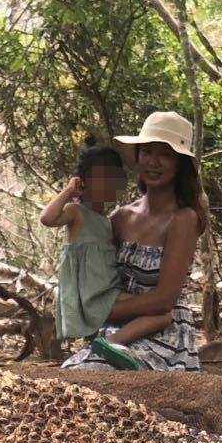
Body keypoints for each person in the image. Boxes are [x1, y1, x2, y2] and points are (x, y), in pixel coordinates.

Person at [60, 111, 206, 372]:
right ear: (138, 157)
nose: (154, 162)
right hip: (117, 327)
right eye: (147, 151)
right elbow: (101, 275)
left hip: (163, 332)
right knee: (68, 378)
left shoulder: (184, 219)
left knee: (93, 373)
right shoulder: (120, 217)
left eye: (165, 154)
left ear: (179, 164)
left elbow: (163, 301)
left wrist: (103, 311)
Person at [41, 137, 176, 365]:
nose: (107, 186)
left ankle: (105, 346)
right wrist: (68, 191)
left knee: (162, 313)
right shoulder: (76, 213)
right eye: (100, 180)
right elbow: (47, 218)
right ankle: (112, 342)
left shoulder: (108, 222)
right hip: (92, 297)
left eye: (113, 180)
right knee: (162, 315)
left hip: (109, 292)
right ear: (84, 182)